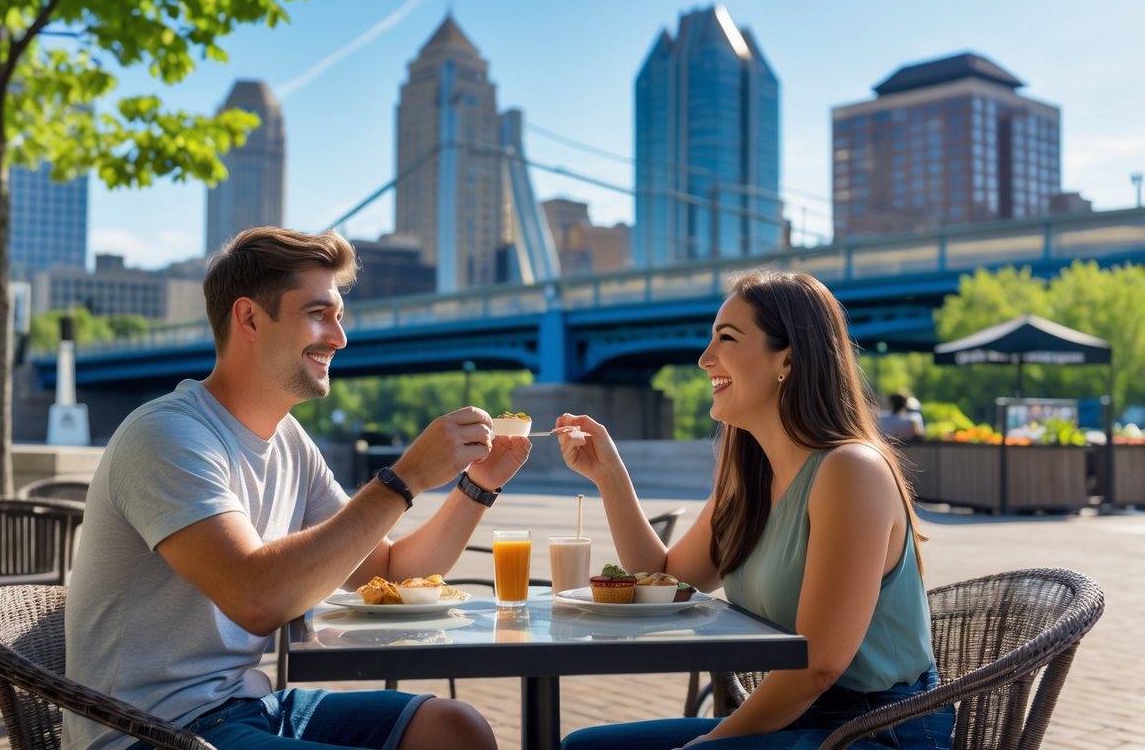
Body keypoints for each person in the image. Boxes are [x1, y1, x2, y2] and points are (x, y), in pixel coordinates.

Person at [64, 226, 531, 750]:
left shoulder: (288, 440)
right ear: (249, 319)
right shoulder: (166, 435)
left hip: (248, 708)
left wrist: (475, 487)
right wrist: (405, 478)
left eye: (338, 316)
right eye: (318, 314)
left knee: (455, 729)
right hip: (149, 733)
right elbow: (256, 598)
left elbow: (393, 574)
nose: (339, 337)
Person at [556, 270, 954, 750]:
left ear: (786, 359)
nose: (704, 360)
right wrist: (609, 476)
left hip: (877, 730)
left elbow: (818, 666)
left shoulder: (851, 471)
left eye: (726, 338)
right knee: (584, 747)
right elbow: (663, 581)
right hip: (794, 717)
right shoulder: (747, 474)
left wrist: (709, 742)